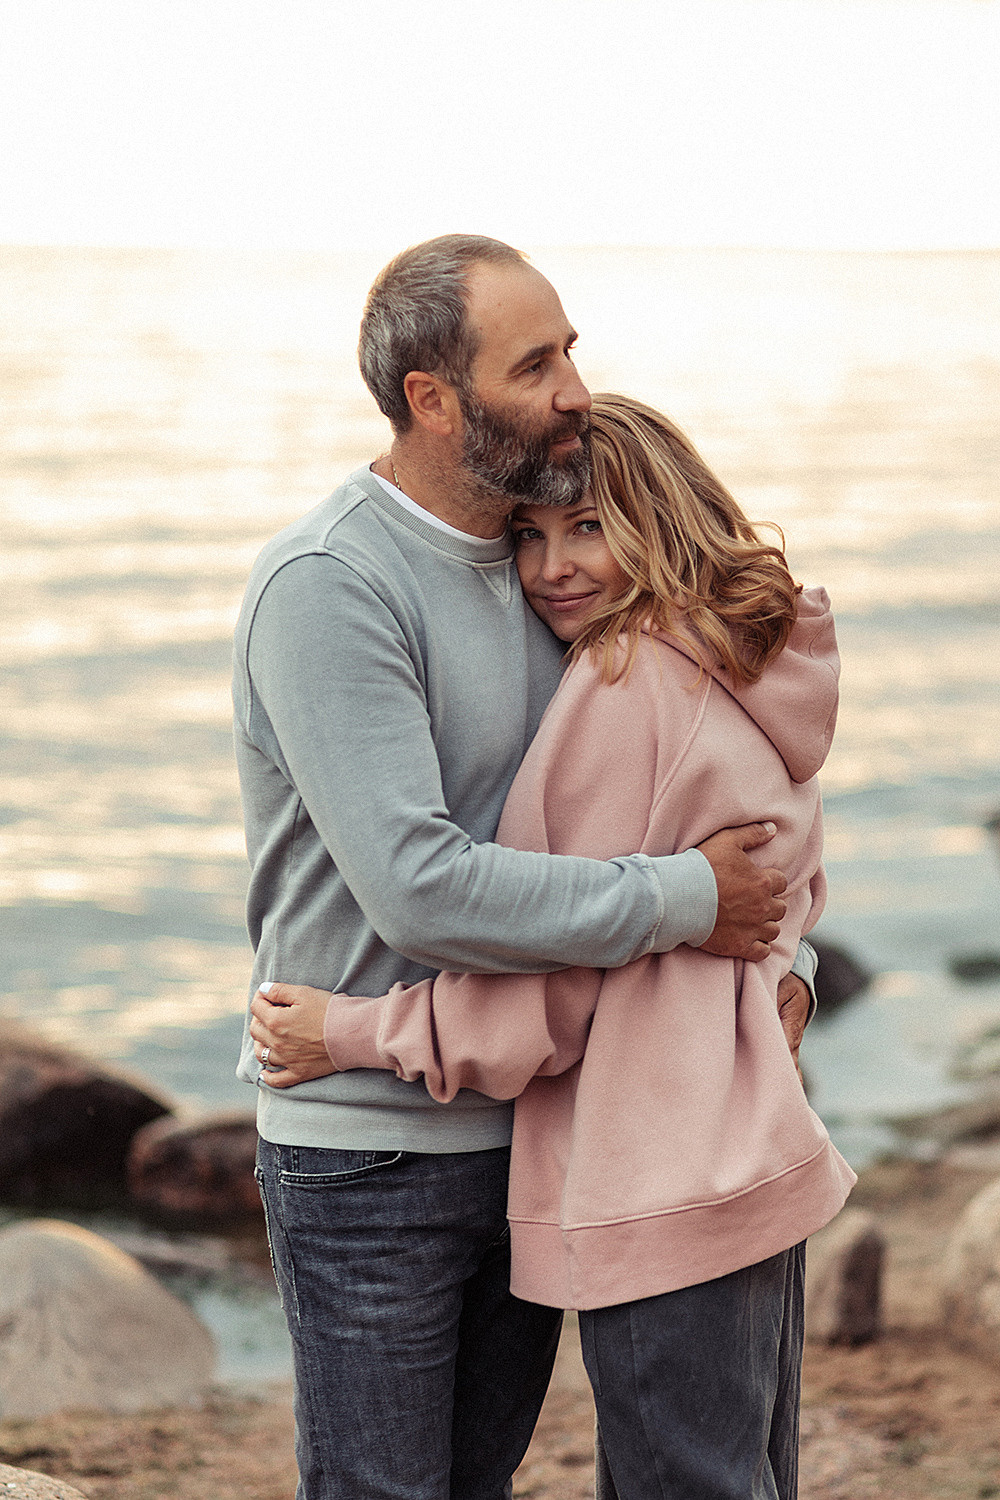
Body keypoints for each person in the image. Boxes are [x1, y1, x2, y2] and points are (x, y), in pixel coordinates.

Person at [233, 235, 816, 1500]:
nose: (571, 388)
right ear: (435, 401)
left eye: (570, 349)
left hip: (536, 1118)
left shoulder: (547, 575)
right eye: (535, 361)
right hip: (370, 1143)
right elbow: (424, 889)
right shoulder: (332, 584)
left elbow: (726, 798)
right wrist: (694, 904)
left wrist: (787, 957)